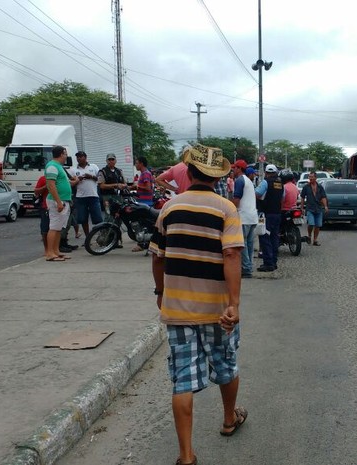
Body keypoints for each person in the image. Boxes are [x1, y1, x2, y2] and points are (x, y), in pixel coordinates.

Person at [150, 143, 246, 465]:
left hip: (177, 309)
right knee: (225, 363)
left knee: (182, 379)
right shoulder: (225, 209)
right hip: (217, 310)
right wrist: (234, 304)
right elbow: (232, 254)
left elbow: (157, 256)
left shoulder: (169, 208)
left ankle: (186, 456)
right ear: (218, 178)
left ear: (189, 173)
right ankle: (229, 418)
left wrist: (160, 292)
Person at [45, 145, 78, 262]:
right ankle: (49, 253)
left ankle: (56, 251)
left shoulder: (59, 167)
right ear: (60, 154)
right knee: (54, 227)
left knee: (59, 228)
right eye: (65, 154)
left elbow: (63, 182)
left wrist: (74, 181)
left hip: (64, 200)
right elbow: (51, 185)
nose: (66, 156)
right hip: (58, 201)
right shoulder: (52, 166)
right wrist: (58, 202)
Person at [231, 160, 258, 278]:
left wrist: (230, 210)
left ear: (239, 169)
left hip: (244, 217)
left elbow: (236, 199)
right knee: (250, 244)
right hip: (252, 217)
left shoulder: (240, 181)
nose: (233, 170)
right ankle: (249, 265)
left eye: (234, 168)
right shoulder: (249, 181)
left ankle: (246, 269)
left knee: (243, 244)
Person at [255, 164, 284, 272]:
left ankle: (268, 263)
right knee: (274, 238)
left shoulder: (265, 182)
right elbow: (282, 198)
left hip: (266, 214)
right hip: (277, 214)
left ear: (266, 173)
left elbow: (257, 194)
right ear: (276, 172)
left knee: (264, 237)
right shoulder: (281, 184)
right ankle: (274, 262)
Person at [70, 151, 102, 237]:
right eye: (77, 157)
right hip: (81, 197)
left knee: (98, 218)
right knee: (83, 219)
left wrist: (90, 176)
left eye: (81, 156)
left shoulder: (93, 167)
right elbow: (71, 183)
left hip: (93, 196)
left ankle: (100, 236)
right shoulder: (73, 170)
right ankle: (88, 238)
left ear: (85, 157)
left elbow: (100, 179)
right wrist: (78, 180)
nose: (79, 158)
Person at [300, 170, 328, 246]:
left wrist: (325, 206)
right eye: (309, 177)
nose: (310, 178)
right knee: (311, 224)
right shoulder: (306, 187)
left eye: (312, 177)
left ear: (316, 178)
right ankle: (309, 235)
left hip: (318, 208)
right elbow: (302, 197)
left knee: (318, 225)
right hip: (310, 208)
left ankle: (315, 240)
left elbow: (323, 197)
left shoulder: (320, 187)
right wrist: (302, 208)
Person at [34, 175, 50, 257]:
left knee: (57, 229)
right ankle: (47, 249)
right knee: (45, 230)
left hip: (58, 207)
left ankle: (55, 249)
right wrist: (45, 186)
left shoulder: (61, 178)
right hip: (46, 207)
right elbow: (36, 192)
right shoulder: (43, 178)